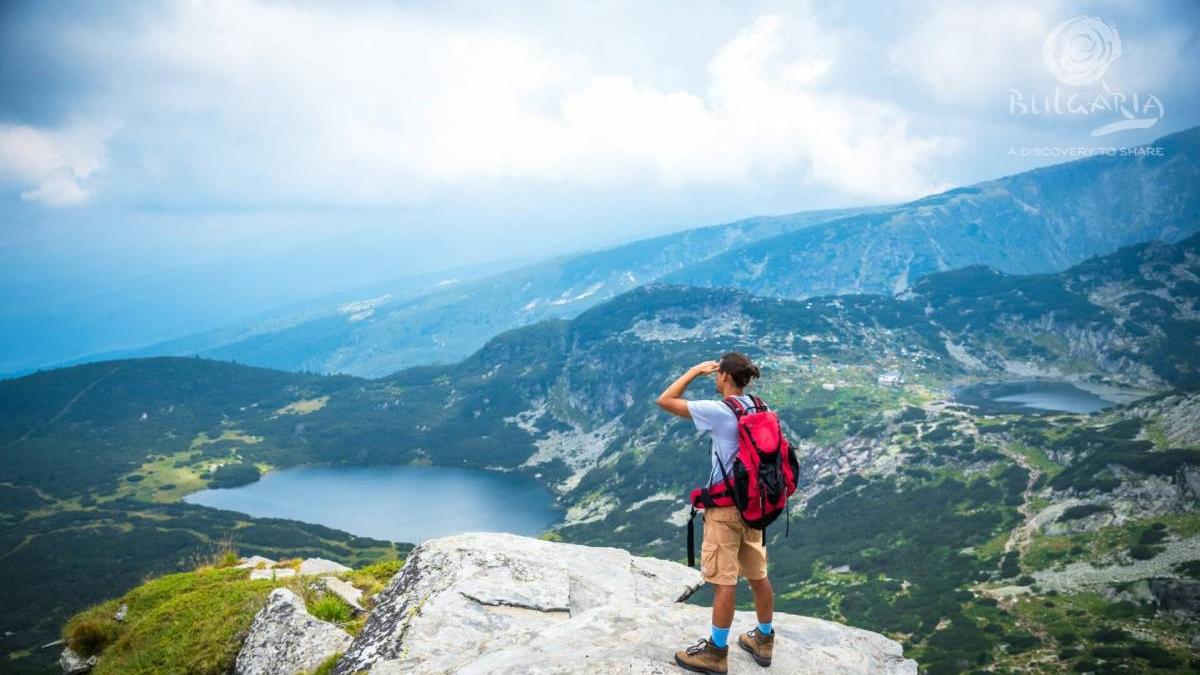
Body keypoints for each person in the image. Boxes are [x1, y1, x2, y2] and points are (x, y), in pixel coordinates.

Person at [657, 352, 776, 673]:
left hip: (724, 509)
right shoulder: (760, 406)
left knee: (724, 581)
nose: (713, 377)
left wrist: (694, 369)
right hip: (755, 505)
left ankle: (715, 651)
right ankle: (763, 639)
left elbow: (665, 400)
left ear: (723, 375)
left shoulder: (719, 411)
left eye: (716, 373)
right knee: (757, 574)